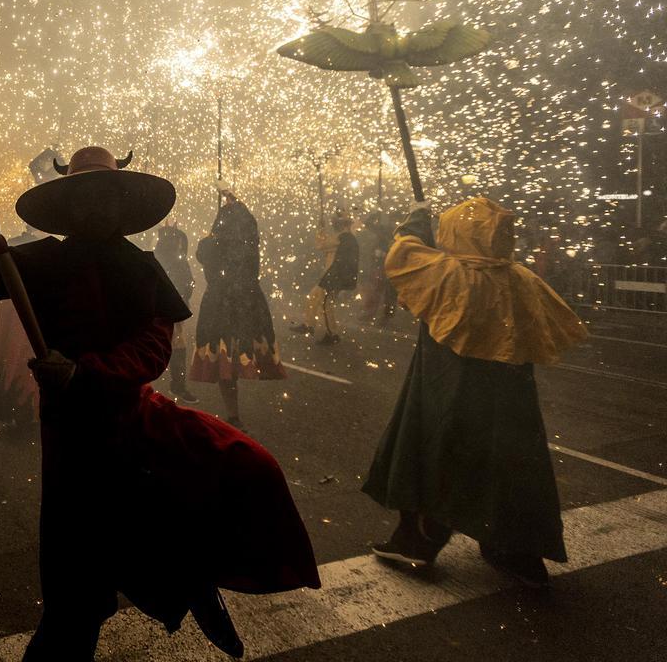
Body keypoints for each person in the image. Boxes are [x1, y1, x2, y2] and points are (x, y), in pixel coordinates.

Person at [0, 148, 319, 660]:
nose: (97, 209)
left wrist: (87, 372)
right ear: (70, 208)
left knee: (243, 468)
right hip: (75, 439)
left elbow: (154, 345)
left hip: (133, 421)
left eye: (107, 197)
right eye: (86, 199)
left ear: (121, 206)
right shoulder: (41, 261)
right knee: (76, 590)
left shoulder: (142, 268)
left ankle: (195, 579)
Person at [363, 197, 588, 588]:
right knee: (512, 464)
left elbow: (402, 255)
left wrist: (416, 220)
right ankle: (516, 551)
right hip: (509, 401)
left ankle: (419, 539)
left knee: (437, 453)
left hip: (449, 390)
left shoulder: (452, 275)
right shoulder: (519, 278)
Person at [190, 186, 286, 428]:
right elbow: (248, 227)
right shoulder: (250, 243)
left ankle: (233, 413)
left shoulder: (210, 245)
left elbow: (203, 250)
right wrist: (237, 205)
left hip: (221, 304)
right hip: (247, 301)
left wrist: (225, 212)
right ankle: (234, 412)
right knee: (239, 351)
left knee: (226, 356)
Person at [0, 226, 41, 429]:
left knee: (14, 354)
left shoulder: (12, 244)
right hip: (24, 305)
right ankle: (23, 408)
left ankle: (19, 407)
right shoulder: (42, 247)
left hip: (14, 304)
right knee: (22, 354)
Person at [291, 212, 358, 344]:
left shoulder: (342, 238)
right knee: (314, 297)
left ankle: (331, 334)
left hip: (333, 276)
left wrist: (320, 228)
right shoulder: (349, 238)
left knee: (325, 305)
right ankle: (309, 325)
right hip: (333, 276)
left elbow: (320, 244)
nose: (334, 225)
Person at [154, 222, 196, 403]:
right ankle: (177, 384)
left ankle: (177, 383)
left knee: (174, 344)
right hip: (169, 308)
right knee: (176, 345)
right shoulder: (173, 258)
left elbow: (187, 283)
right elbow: (187, 283)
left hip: (165, 307)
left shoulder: (160, 256)